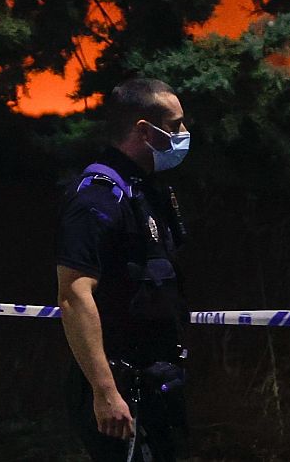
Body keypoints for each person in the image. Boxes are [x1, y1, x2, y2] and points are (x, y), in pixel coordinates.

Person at [57, 78, 193, 461]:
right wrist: (105, 391)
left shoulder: (148, 190)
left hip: (158, 384)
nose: (184, 134)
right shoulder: (98, 194)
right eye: (176, 124)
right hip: (121, 390)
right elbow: (73, 295)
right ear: (145, 131)